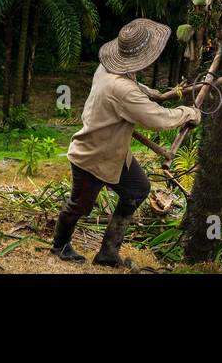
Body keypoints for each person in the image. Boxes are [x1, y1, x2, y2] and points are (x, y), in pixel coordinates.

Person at [50, 18, 201, 268]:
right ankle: (59, 246)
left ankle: (108, 253)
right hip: (92, 156)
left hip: (114, 154)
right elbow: (158, 119)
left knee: (138, 189)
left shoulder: (107, 68)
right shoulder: (122, 91)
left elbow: (133, 86)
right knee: (79, 205)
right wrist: (188, 113)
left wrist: (149, 92)